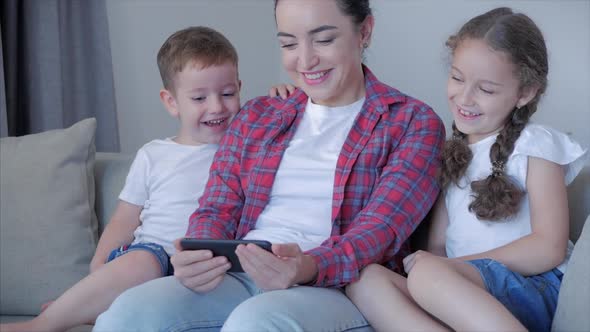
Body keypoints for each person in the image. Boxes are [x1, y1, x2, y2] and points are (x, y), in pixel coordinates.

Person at [92, 0, 445, 331]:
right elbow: (218, 205)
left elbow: (380, 230)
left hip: (341, 286)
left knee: (255, 322)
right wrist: (199, 252)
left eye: (323, 39)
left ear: (364, 31)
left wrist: (306, 266)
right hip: (242, 271)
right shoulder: (259, 116)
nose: (305, 61)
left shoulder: (412, 122)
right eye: (289, 44)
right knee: (128, 312)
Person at [345, 7, 588, 332]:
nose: (464, 97)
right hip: (460, 292)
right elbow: (436, 247)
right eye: (457, 78)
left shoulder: (536, 144)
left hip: (530, 285)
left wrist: (449, 269)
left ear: (525, 93)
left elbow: (549, 246)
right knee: (363, 278)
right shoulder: (450, 154)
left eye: (486, 89)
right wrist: (441, 269)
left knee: (428, 273)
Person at [0, 26, 242, 332]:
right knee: (140, 264)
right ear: (171, 102)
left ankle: (92, 309)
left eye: (228, 93)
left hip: (205, 264)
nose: (217, 106)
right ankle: (43, 324)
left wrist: (282, 95)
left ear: (239, 88)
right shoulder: (154, 155)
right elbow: (124, 220)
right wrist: (98, 266)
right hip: (153, 255)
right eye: (199, 97)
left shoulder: (246, 148)